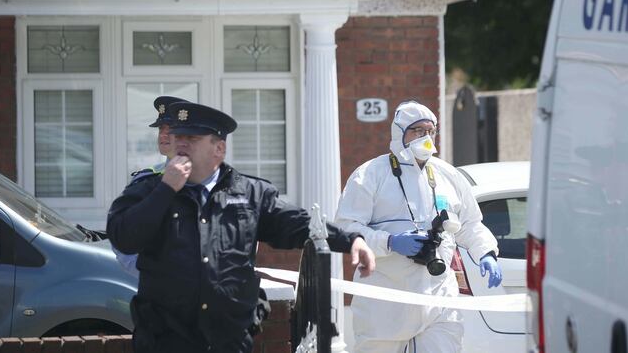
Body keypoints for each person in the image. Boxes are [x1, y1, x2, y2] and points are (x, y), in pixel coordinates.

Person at [107, 101, 376, 353]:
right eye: (179, 137)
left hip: (228, 341)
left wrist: (350, 240)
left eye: (193, 139)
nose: (182, 145)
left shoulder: (249, 193)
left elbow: (296, 224)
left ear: (219, 149)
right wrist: (166, 190)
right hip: (166, 341)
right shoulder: (148, 190)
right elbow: (124, 237)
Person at [335, 100, 502, 353]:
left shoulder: (448, 175)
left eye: (431, 131)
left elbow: (470, 224)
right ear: (399, 134)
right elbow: (346, 229)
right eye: (418, 131)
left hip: (438, 296)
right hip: (385, 299)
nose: (426, 137)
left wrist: (486, 253)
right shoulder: (370, 174)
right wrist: (390, 242)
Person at [113, 95, 186, 276]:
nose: (163, 134)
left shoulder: (212, 182)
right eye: (161, 128)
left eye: (171, 129)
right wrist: (151, 273)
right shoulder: (144, 181)